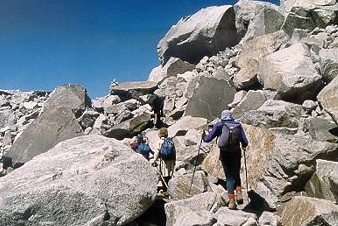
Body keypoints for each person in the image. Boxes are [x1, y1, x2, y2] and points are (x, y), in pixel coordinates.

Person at [202, 109, 248, 210]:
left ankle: (231, 201)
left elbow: (208, 139)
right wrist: (243, 145)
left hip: (225, 153)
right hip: (236, 152)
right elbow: (245, 141)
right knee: (236, 174)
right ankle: (239, 193)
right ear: (231, 116)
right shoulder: (238, 125)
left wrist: (203, 135)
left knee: (229, 177)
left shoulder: (219, 125)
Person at [151, 127, 176, 197]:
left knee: (164, 175)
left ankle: (165, 190)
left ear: (160, 134)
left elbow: (157, 152)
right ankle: (169, 189)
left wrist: (154, 160)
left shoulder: (160, 142)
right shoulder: (170, 141)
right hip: (171, 161)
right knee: (169, 175)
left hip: (163, 161)